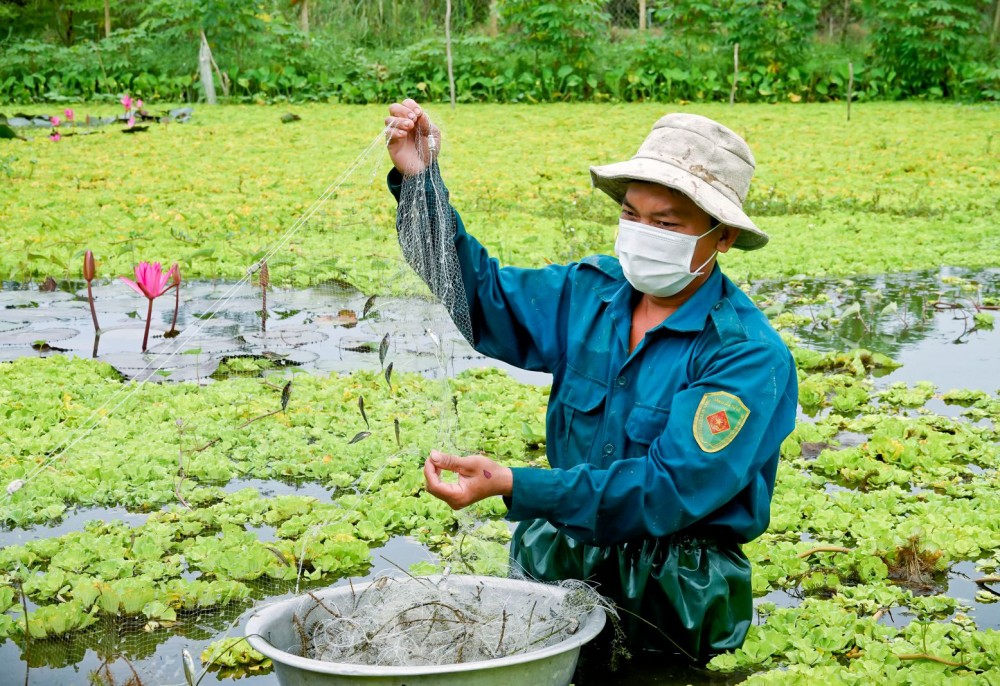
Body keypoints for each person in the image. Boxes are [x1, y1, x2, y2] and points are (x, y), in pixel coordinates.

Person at [383, 99, 798, 668]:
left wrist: (516, 484)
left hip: (673, 596)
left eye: (667, 223)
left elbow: (664, 491)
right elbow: (481, 300)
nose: (641, 233)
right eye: (631, 214)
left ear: (721, 237)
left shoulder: (746, 356)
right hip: (558, 563)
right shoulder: (589, 294)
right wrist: (421, 181)